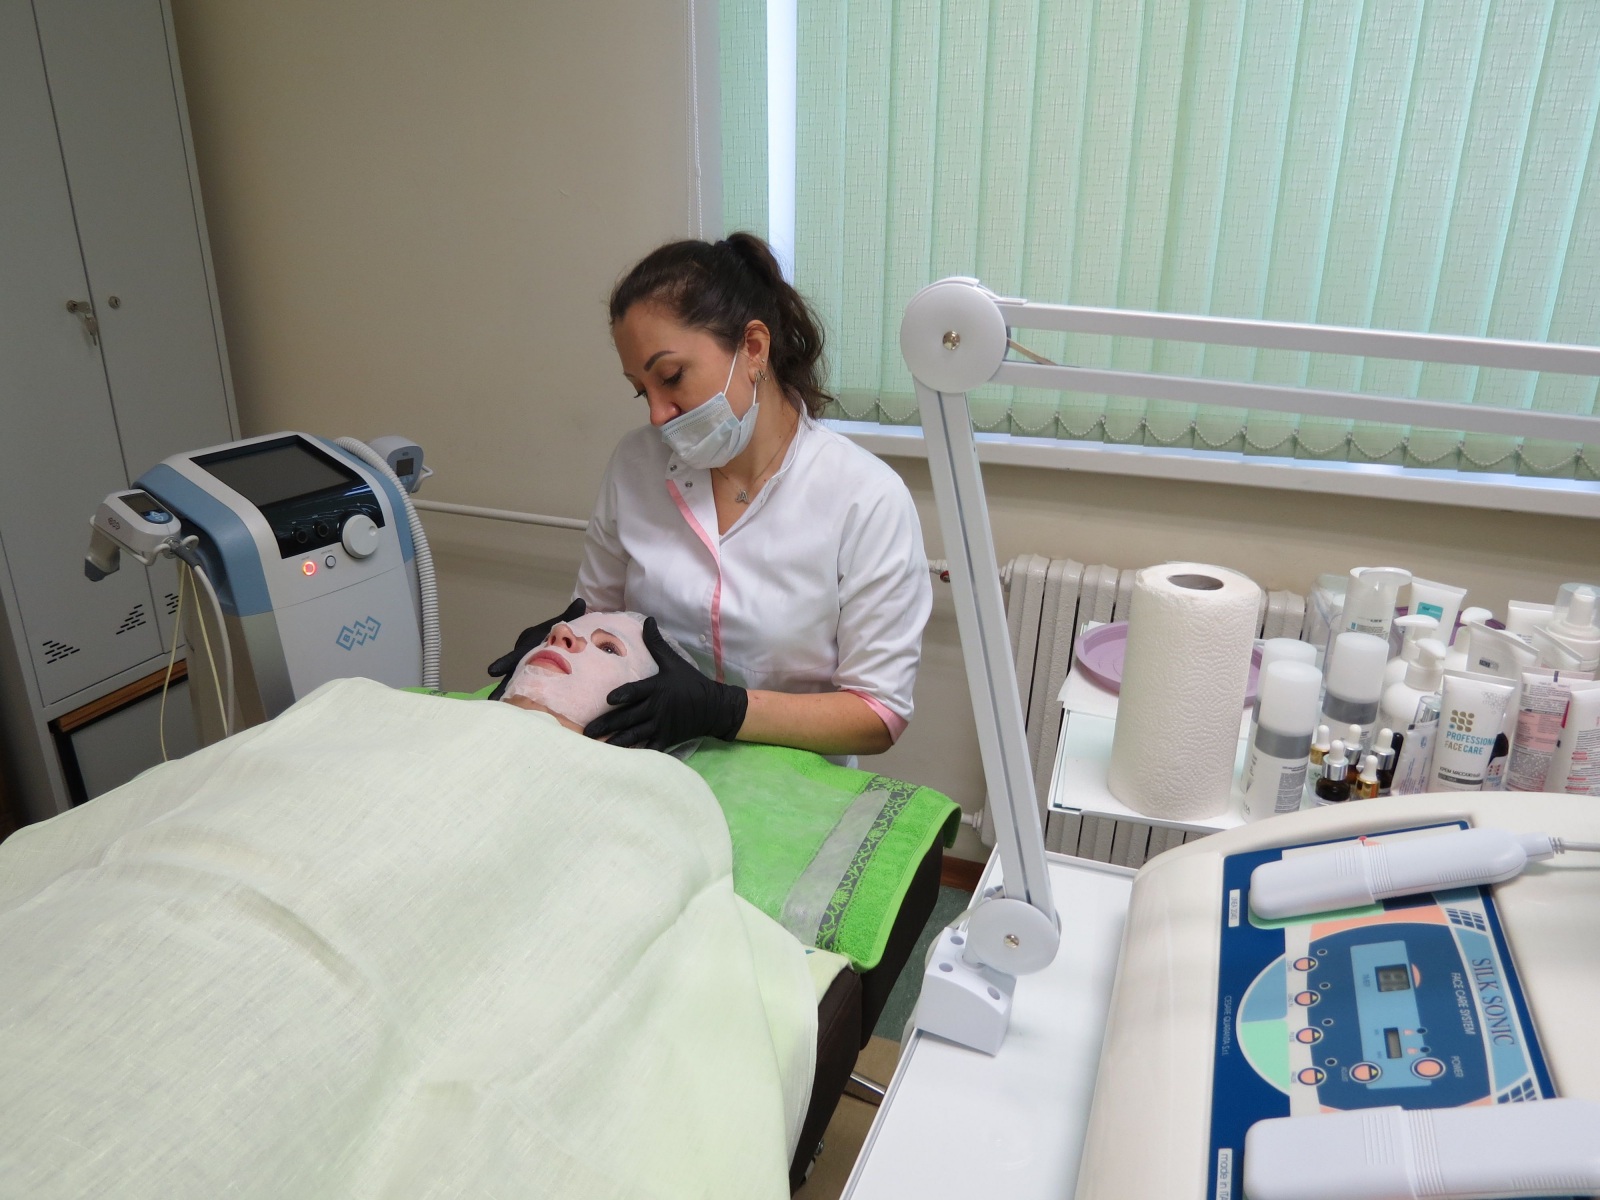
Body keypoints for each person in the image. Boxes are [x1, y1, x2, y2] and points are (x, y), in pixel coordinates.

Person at [492, 234, 932, 758]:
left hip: (790, 782)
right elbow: (598, 615)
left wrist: (723, 709)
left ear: (753, 348)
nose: (658, 414)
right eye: (642, 390)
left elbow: (877, 714)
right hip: (644, 760)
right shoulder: (636, 464)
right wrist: (558, 643)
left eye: (672, 377)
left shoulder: (866, 498)